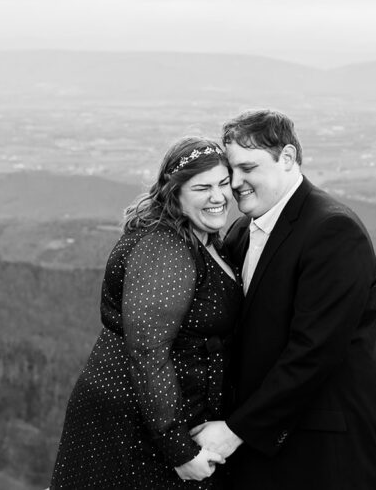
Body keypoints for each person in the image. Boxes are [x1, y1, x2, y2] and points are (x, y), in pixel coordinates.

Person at [192, 109, 376, 489]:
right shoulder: (243, 230)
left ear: (287, 158)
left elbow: (313, 353)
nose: (235, 183)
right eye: (231, 171)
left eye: (248, 168)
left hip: (323, 447)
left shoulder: (332, 231)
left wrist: (234, 431)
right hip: (270, 442)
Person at [48, 137, 243, 489]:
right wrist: (179, 450)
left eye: (223, 183)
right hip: (134, 425)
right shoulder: (164, 247)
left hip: (163, 420)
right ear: (175, 193)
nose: (218, 197)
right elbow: (148, 352)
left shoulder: (205, 239)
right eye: (202, 187)